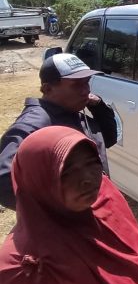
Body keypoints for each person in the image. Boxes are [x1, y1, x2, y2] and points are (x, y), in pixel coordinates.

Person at [0, 126, 138, 284]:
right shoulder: (22, 270)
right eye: (67, 172)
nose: (87, 179)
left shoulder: (106, 201)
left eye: (91, 163)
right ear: (37, 180)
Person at [0, 53, 117, 210]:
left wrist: (99, 107)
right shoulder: (35, 123)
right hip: (69, 224)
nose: (85, 90)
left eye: (86, 83)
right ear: (47, 89)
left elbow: (109, 138)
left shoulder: (74, 113)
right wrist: (59, 208)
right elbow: (4, 183)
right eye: (76, 85)